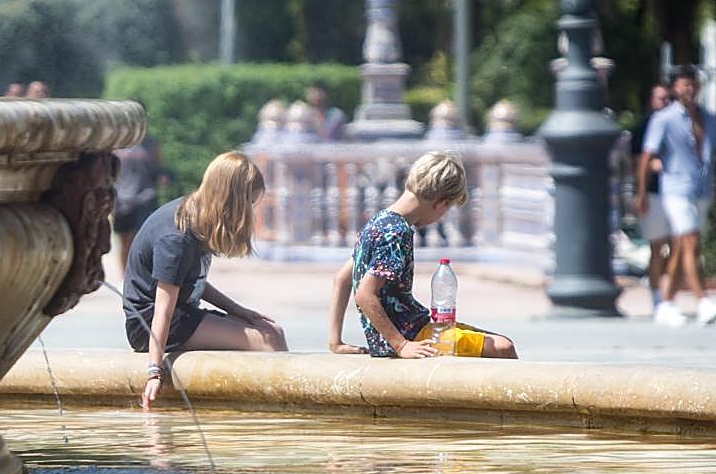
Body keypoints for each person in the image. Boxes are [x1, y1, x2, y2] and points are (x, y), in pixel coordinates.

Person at [123, 152, 288, 409]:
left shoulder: (195, 215)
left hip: (181, 315)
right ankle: (273, 411)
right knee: (269, 340)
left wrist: (239, 311)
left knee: (271, 331)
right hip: (150, 325)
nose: (250, 214)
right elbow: (163, 310)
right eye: (249, 205)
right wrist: (154, 371)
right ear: (232, 201)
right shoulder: (177, 237)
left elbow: (186, 282)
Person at [328, 151, 517, 359]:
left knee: (496, 339)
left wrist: (335, 342)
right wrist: (401, 345)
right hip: (411, 335)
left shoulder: (377, 222)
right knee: (503, 347)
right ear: (441, 202)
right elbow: (364, 294)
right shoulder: (397, 233)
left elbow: (342, 278)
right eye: (446, 210)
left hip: (411, 329)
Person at [636, 65, 716, 326]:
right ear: (675, 88)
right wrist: (641, 192)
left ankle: (667, 302)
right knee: (689, 242)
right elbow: (646, 156)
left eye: (692, 84)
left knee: (684, 247)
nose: (689, 89)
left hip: (701, 188)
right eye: (683, 84)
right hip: (675, 189)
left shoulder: (708, 118)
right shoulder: (665, 119)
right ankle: (703, 300)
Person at [629, 83, 675, 310]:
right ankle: (658, 297)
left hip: (677, 192)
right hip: (654, 193)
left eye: (667, 98)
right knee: (657, 246)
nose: (664, 103)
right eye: (660, 98)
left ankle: (667, 294)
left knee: (682, 247)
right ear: (651, 100)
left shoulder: (679, 124)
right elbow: (635, 162)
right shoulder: (644, 127)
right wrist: (641, 193)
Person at [113, 136, 167, 273]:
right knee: (126, 242)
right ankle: (125, 277)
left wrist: (161, 177)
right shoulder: (117, 142)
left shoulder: (151, 143)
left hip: (145, 198)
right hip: (122, 200)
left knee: (147, 242)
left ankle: (144, 276)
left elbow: (158, 170)